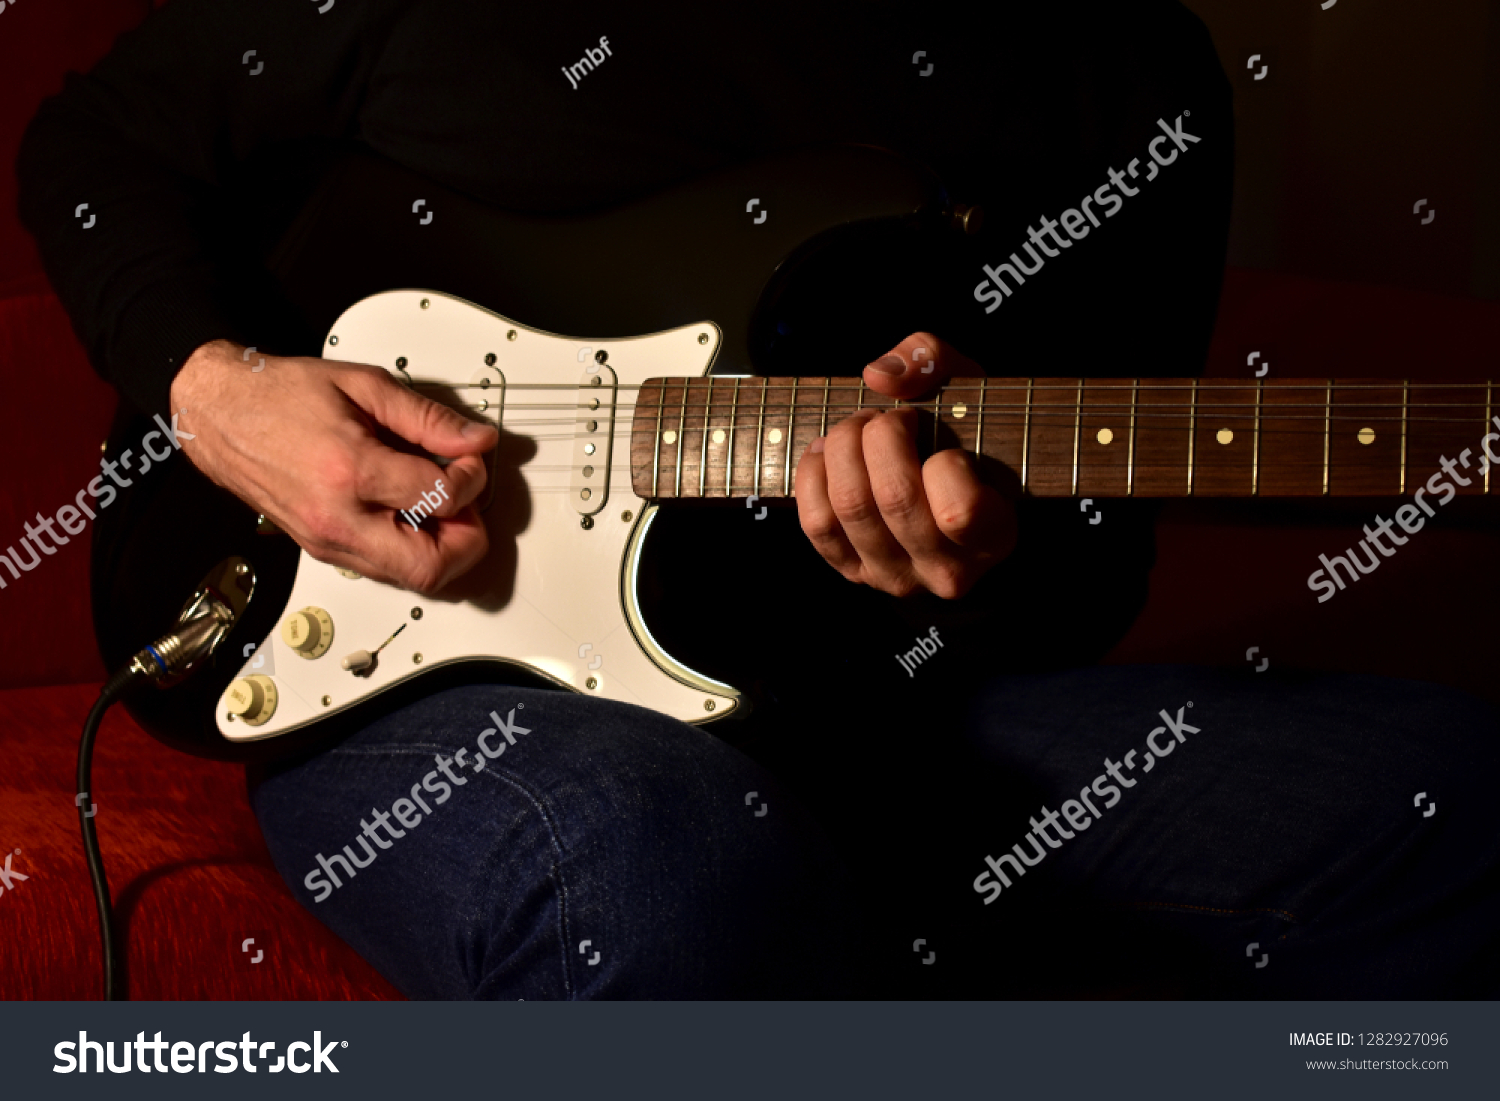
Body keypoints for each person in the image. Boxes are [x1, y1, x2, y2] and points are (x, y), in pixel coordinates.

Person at [18, 0, 1498, 998]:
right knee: (663, 863)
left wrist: (972, 544)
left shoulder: (1125, 70)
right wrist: (214, 387)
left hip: (887, 710)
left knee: (1456, 801)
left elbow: (1088, 582)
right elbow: (92, 143)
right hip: (430, 674)